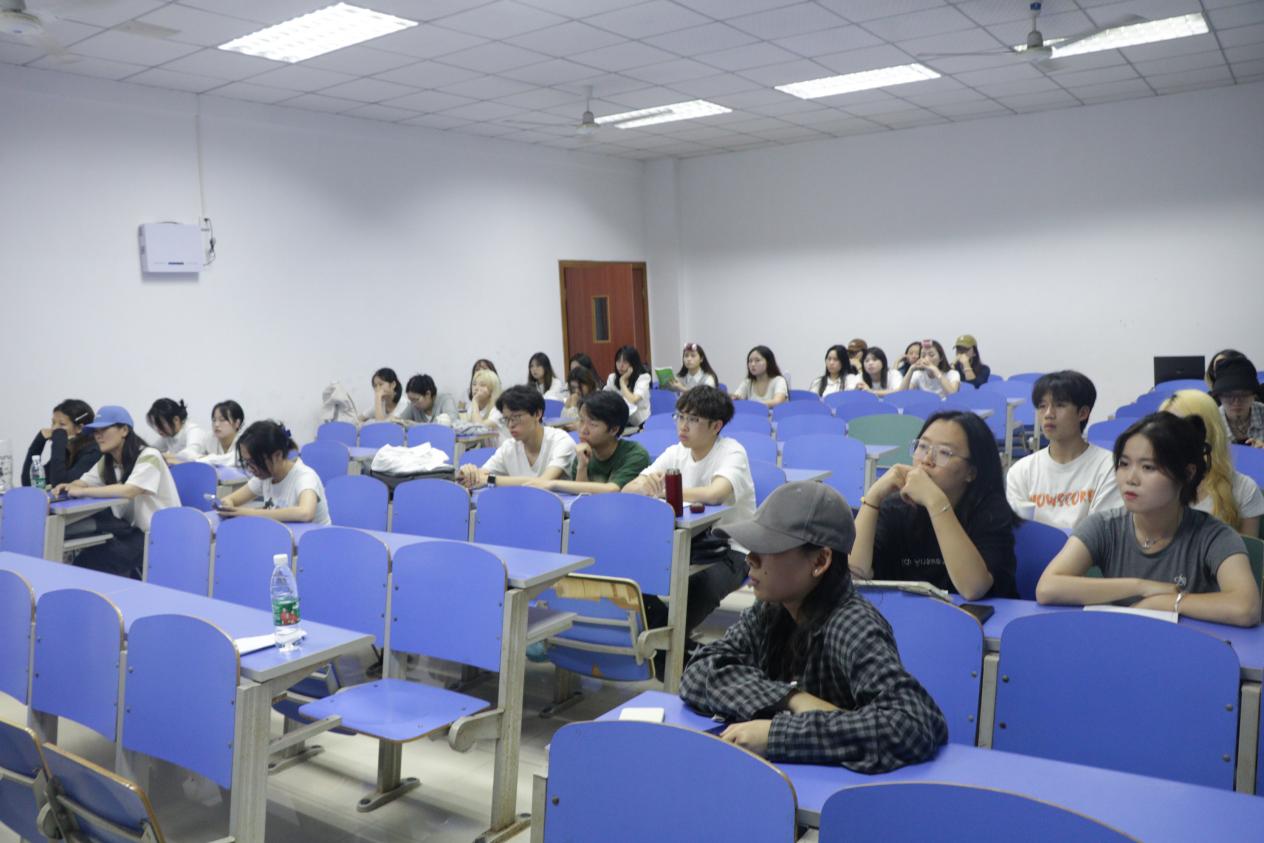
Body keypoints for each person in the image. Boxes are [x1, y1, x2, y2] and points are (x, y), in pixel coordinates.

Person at [680, 482, 948, 771]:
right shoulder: (773, 609)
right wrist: (792, 699)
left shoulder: (853, 625)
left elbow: (911, 724)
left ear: (820, 561)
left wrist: (777, 735)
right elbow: (699, 671)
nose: (750, 559)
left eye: (767, 547)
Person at [1036, 412, 1260, 628]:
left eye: (1148, 467)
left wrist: (1165, 602)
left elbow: (1246, 607)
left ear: (1187, 473)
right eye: (1124, 464)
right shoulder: (1103, 526)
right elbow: (1047, 588)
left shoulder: (1213, 535)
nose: (1131, 479)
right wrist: (1140, 587)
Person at [625, 386, 756, 636]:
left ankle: (667, 644)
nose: (683, 426)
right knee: (633, 575)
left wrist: (664, 491)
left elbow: (715, 494)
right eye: (680, 417)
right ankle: (667, 643)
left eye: (693, 420)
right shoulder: (676, 452)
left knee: (697, 588)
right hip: (685, 544)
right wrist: (644, 485)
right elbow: (629, 488)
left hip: (731, 550)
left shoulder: (732, 451)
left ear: (716, 426)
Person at [851, 411, 1017, 599]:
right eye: (922, 446)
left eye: (944, 452)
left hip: (973, 614)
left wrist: (935, 501)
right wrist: (873, 497)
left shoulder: (990, 512)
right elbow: (855, 575)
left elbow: (973, 589)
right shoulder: (896, 506)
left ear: (971, 472)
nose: (926, 460)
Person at [51, 406, 179, 578]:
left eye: (104, 430)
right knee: (86, 557)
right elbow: (84, 481)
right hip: (129, 530)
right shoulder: (107, 460)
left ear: (124, 430)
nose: (98, 436)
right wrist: (68, 486)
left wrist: (81, 491)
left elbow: (129, 490)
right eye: (96, 431)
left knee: (93, 562)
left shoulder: (149, 455)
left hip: (159, 534)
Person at [1006, 371, 1121, 530]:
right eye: (1042, 406)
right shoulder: (1021, 471)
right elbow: (1018, 532)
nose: (1048, 414)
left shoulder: (1109, 467)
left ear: (1082, 413)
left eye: (1059, 405)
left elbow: (1102, 533)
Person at [1161, 390, 1263, 536]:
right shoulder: (1149, 484)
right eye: (1165, 428)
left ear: (1208, 431)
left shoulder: (1243, 489)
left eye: (1181, 428)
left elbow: (1248, 548)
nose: (1171, 437)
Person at [526, 392, 650, 494]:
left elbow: (612, 490)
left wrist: (552, 484)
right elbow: (581, 494)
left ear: (614, 429)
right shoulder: (582, 453)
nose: (583, 429)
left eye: (593, 424)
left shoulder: (635, 454)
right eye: (581, 420)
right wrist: (582, 466)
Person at [457, 385, 576, 489]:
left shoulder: (561, 441)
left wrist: (490, 479)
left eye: (516, 417)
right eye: (506, 419)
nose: (510, 425)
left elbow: (542, 482)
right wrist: (469, 473)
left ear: (537, 414)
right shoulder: (509, 447)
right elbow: (481, 476)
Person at [218, 421, 331, 525]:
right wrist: (227, 506)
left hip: (316, 539)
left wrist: (248, 512)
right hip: (285, 537)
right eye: (247, 462)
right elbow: (230, 499)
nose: (251, 469)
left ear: (277, 455)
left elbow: (305, 513)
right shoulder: (265, 476)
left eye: (254, 462)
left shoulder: (305, 477)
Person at [21, 399, 99, 487]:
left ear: (79, 428)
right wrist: (39, 441)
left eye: (62, 424)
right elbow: (29, 482)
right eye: (53, 423)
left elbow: (60, 485)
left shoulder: (93, 451)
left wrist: (58, 441)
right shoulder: (66, 452)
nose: (54, 429)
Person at [1212, 356, 1264, 447]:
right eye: (1228, 395)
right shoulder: (1212, 421)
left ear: (1254, 395)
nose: (1236, 402)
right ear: (1219, 396)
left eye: (1244, 395)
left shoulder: (1262, 412)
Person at [147, 398, 214, 463]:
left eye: (161, 424)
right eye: (155, 425)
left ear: (176, 420)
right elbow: (151, 450)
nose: (158, 429)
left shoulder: (194, 430)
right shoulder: (168, 435)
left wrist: (162, 456)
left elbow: (190, 455)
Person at [604, 345, 652, 427]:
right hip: (619, 421)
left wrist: (622, 382)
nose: (620, 365)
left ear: (633, 364)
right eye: (618, 361)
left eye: (625, 362)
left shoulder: (643, 378)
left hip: (640, 422)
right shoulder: (612, 378)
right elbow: (604, 398)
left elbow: (633, 400)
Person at [199, 400, 245, 467]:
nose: (216, 424)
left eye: (222, 420)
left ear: (237, 423)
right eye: (214, 420)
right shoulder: (209, 438)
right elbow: (193, 456)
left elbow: (232, 459)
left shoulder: (245, 442)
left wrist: (207, 458)